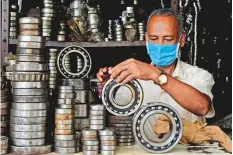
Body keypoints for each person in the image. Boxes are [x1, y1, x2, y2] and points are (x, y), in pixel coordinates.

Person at [97, 8, 215, 123]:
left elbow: (202, 107)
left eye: (168, 39)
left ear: (182, 39)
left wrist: (156, 75)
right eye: (154, 38)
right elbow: (114, 112)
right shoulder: (132, 80)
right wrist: (110, 85)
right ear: (146, 38)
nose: (160, 45)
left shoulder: (199, 76)